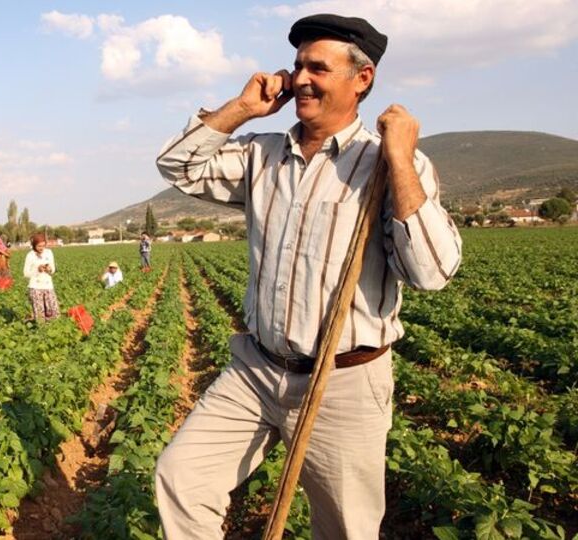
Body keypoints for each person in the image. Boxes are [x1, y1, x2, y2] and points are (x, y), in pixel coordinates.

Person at [154, 14, 462, 539]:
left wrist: (401, 159)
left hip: (343, 379)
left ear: (361, 79)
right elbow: (177, 166)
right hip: (256, 370)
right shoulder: (263, 155)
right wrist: (243, 108)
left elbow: (432, 272)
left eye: (317, 67)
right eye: (297, 65)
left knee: (345, 529)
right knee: (181, 477)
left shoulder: (389, 165)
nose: (300, 79)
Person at [23, 233, 59, 322]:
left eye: (43, 245)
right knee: (39, 314)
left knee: (54, 311)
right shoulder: (30, 255)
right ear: (34, 245)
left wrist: (49, 269)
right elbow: (26, 273)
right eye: (39, 246)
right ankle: (41, 330)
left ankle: (52, 328)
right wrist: (37, 270)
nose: (41, 248)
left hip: (48, 286)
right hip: (35, 287)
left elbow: (53, 269)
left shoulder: (49, 252)